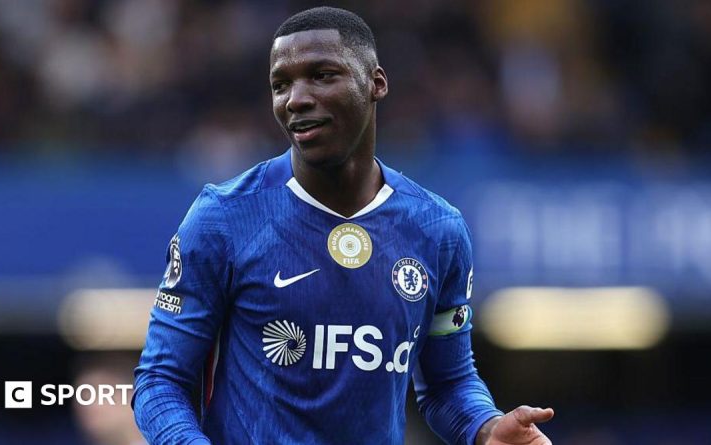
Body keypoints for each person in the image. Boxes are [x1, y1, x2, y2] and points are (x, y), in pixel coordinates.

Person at [133, 6, 554, 445]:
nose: (295, 98)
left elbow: (449, 385)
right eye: (281, 84)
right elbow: (160, 381)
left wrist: (486, 428)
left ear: (376, 83)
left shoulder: (437, 229)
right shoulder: (224, 217)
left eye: (321, 75)